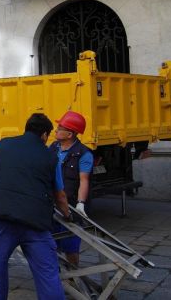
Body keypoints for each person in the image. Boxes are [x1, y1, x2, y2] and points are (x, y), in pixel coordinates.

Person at [0, 113, 71, 300]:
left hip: (2, 218)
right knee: (47, 273)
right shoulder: (51, 157)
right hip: (35, 223)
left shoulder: (5, 143)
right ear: (45, 135)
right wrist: (67, 214)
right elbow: (60, 196)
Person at [50, 111, 93, 267]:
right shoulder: (53, 147)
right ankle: (56, 276)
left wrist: (80, 203)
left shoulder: (84, 154)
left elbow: (84, 180)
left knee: (70, 246)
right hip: (52, 204)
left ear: (70, 134)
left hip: (70, 205)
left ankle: (74, 277)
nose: (56, 130)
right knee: (51, 244)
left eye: (60, 127)